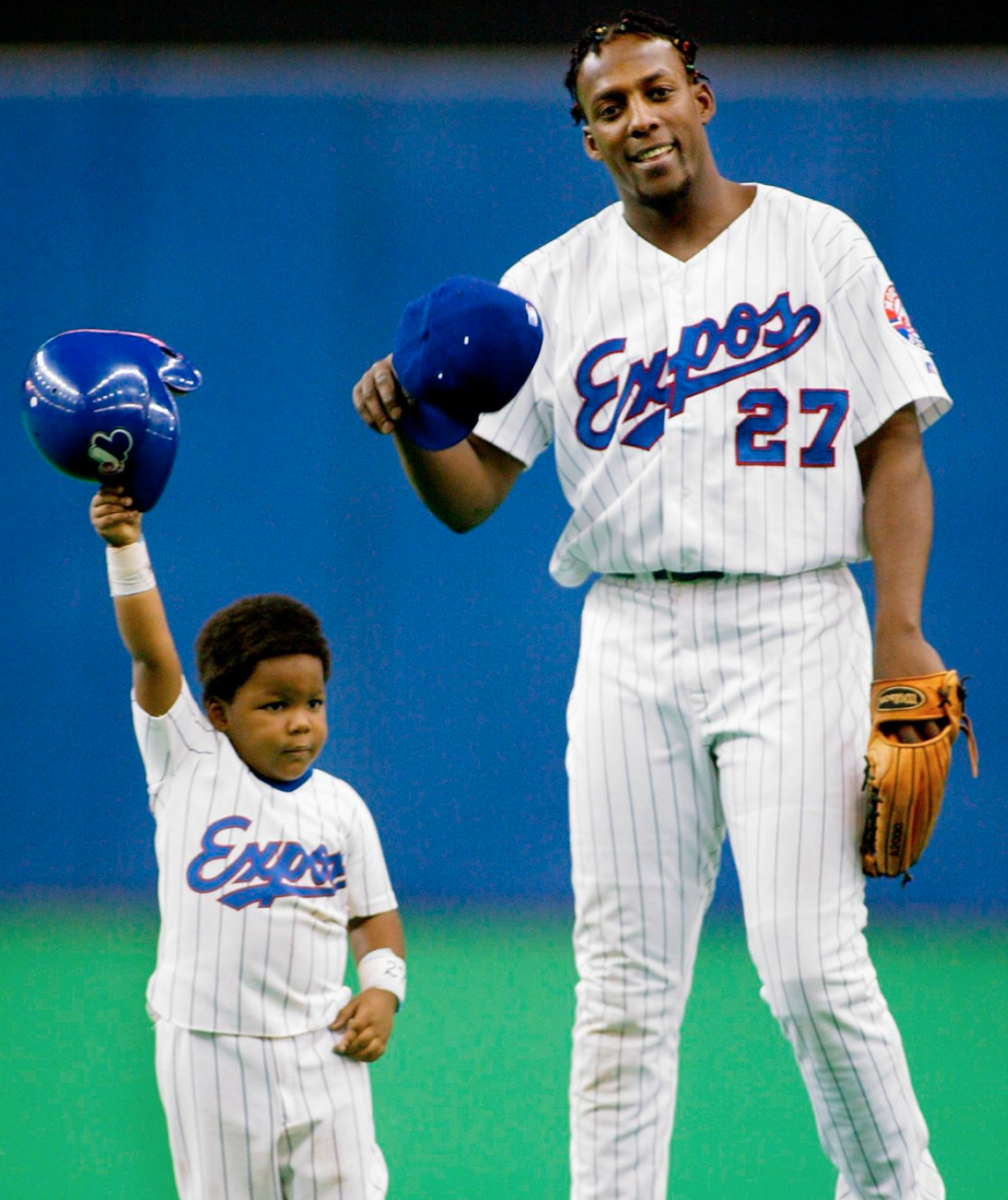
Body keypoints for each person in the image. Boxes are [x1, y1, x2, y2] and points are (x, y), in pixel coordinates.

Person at [351, 11, 951, 1199]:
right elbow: (474, 497)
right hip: (632, 638)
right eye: (611, 107)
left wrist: (900, 628)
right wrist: (417, 426)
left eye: (657, 90)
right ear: (588, 138)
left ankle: (898, 1189)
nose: (640, 118)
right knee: (623, 987)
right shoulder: (549, 286)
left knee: (811, 968)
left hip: (798, 620)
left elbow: (895, 450)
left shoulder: (818, 243)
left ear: (701, 97)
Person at [89, 484, 405, 1200]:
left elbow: (373, 914)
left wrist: (384, 990)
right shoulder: (188, 763)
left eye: (314, 702)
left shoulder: (341, 806)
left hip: (324, 1047)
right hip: (209, 1053)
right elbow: (151, 654)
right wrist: (126, 547)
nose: (301, 722)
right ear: (218, 713)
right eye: (275, 704)